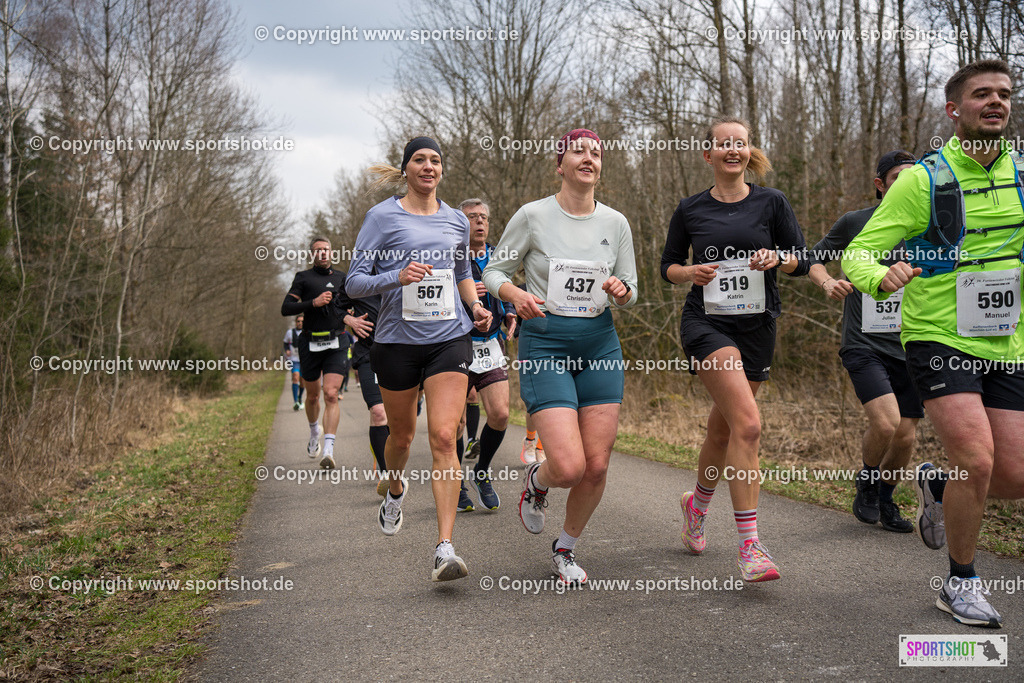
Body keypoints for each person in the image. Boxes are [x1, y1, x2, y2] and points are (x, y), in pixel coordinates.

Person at [843, 60, 1024, 628]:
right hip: (938, 337)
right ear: (954, 110)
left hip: (1006, 339)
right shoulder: (923, 180)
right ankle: (960, 583)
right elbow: (858, 254)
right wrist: (881, 276)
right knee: (977, 457)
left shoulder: (1022, 174)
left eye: (1004, 94)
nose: (995, 102)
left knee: (1013, 478)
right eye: (981, 95)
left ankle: (939, 486)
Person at [483, 128, 638, 585]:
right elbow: (494, 270)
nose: (588, 158)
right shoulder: (533, 216)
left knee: (598, 464)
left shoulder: (616, 223)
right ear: (560, 163)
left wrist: (620, 290)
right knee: (568, 466)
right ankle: (536, 484)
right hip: (545, 344)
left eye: (595, 152)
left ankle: (565, 548)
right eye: (578, 151)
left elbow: (631, 290)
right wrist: (515, 295)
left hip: (600, 346)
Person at [661, 116, 809, 583]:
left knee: (724, 431)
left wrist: (777, 259)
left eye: (740, 144)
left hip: (758, 326)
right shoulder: (690, 209)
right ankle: (750, 547)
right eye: (723, 144)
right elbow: (667, 265)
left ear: (748, 152)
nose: (733, 150)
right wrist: (690, 274)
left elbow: (801, 260)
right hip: (707, 324)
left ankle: (696, 506)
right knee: (749, 424)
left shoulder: (772, 202)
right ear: (708, 154)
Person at [347, 137, 492, 582]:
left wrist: (475, 307)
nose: (428, 167)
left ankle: (445, 547)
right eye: (420, 160)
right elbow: (354, 282)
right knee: (403, 438)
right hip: (395, 343)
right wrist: (397, 275)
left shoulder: (454, 220)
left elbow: (462, 272)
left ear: (441, 170)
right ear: (406, 168)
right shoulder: (381, 216)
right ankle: (394, 490)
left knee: (445, 438)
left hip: (449, 338)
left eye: (435, 160)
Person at [808, 151, 922, 533]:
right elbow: (814, 259)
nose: (906, 183)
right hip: (864, 343)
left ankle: (886, 499)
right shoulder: (857, 222)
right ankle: (868, 480)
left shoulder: (930, 223)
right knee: (887, 424)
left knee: (905, 437)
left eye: (914, 176)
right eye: (897, 178)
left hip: (913, 343)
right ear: (880, 185)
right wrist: (828, 282)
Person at [281, 238, 372, 469]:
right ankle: (314, 431)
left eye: (326, 249)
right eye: (318, 250)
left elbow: (354, 304)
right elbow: (286, 308)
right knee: (312, 396)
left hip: (337, 340)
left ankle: (329, 450)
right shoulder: (303, 278)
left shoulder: (342, 278)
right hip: (310, 342)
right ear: (312, 255)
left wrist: (353, 314)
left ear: (332, 252)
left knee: (331, 394)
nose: (323, 253)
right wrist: (314, 302)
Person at [453, 198, 516, 512]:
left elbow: (509, 288)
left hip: (491, 343)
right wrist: (462, 292)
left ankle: (481, 471)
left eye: (484, 217)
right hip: (455, 343)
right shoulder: (449, 255)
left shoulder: (498, 256)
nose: (479, 222)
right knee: (455, 423)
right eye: (472, 217)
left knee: (501, 414)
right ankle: (457, 483)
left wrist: (511, 312)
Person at [345, 292, 392, 497]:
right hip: (369, 354)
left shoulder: (407, 270)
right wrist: (349, 320)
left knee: (400, 418)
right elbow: (334, 306)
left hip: (404, 352)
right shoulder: (356, 278)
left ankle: (383, 450)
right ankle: (387, 474)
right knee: (379, 412)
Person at [283, 315, 306, 410]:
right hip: (294, 359)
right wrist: (287, 350)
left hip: (305, 360)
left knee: (302, 382)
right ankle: (295, 402)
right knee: (295, 377)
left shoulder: (307, 332)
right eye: (298, 321)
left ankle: (300, 397)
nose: (300, 323)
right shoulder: (290, 332)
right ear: (296, 322)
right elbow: (285, 343)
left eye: (302, 321)